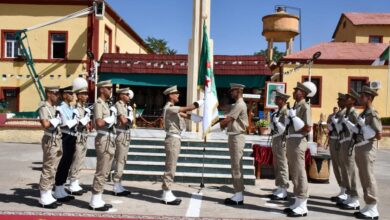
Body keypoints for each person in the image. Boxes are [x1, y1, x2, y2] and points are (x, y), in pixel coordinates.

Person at [161, 85, 203, 205]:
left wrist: (199, 118)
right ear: (170, 96)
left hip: (175, 139)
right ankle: (166, 192)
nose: (178, 95)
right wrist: (201, 102)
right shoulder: (170, 108)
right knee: (171, 166)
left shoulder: (173, 109)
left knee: (171, 166)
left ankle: (166, 192)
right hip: (172, 139)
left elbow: (186, 115)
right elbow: (188, 108)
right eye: (176, 93)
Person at [283, 82, 312, 217]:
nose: (294, 92)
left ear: (304, 93)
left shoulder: (305, 107)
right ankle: (298, 200)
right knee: (294, 172)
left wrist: (294, 118)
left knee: (300, 172)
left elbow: (307, 128)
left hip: (299, 140)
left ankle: (303, 205)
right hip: (291, 139)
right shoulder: (295, 106)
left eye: (297, 91)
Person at [353, 86, 382, 219]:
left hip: (367, 148)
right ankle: (368, 205)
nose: (360, 98)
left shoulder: (372, 113)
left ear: (369, 98)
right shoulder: (364, 113)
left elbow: (378, 134)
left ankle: (373, 207)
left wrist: (364, 126)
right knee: (363, 177)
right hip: (360, 147)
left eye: (362, 96)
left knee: (368, 177)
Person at [89, 80, 116, 211]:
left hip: (109, 138)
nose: (111, 91)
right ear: (102, 90)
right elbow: (99, 122)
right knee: (101, 170)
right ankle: (94, 200)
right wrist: (109, 120)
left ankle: (98, 197)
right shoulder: (98, 103)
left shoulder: (105, 104)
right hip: (103, 138)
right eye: (109, 89)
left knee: (106, 171)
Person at [220, 83, 248, 205]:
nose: (231, 93)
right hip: (234, 137)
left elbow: (228, 119)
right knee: (235, 166)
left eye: (233, 91)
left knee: (237, 166)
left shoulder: (240, 104)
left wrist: (212, 127)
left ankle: (239, 195)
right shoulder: (236, 104)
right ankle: (237, 193)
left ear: (238, 91)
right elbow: (224, 107)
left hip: (237, 137)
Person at [37, 86, 62, 209]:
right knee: (48, 167)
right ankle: (43, 195)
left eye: (58, 94)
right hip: (49, 140)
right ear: (49, 94)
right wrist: (55, 121)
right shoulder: (44, 107)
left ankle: (48, 192)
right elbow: (46, 124)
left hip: (56, 139)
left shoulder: (53, 107)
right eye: (55, 93)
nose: (58, 96)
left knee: (53, 168)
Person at [337, 90, 360, 210]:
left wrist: (349, 124)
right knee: (345, 170)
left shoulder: (354, 113)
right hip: (344, 141)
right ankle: (350, 195)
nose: (345, 99)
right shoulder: (346, 112)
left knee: (350, 170)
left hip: (350, 143)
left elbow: (358, 130)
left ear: (354, 100)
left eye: (348, 98)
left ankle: (355, 198)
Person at [53, 88, 77, 202]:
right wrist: (72, 122)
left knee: (68, 163)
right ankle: (58, 189)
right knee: (62, 163)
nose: (73, 95)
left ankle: (62, 188)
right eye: (70, 93)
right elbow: (61, 124)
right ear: (64, 95)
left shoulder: (71, 108)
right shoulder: (60, 108)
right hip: (65, 136)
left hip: (72, 135)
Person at [68, 85, 91, 195]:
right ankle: (72, 182)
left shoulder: (84, 108)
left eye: (86, 94)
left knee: (81, 159)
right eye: (84, 94)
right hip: (77, 136)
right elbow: (76, 123)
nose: (86, 96)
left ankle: (76, 181)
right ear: (78, 96)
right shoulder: (75, 108)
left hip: (83, 136)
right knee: (76, 159)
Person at [268, 91, 290, 201]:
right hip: (276, 139)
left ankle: (284, 189)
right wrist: (272, 123)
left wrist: (276, 123)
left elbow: (284, 129)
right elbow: (275, 127)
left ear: (282, 100)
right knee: (277, 164)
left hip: (282, 140)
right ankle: (280, 187)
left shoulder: (286, 112)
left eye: (277, 98)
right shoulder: (278, 112)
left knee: (282, 165)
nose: (276, 100)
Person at [112, 88, 134, 196]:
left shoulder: (125, 106)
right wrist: (130, 118)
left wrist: (129, 118)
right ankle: (116, 185)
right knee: (119, 160)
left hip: (126, 134)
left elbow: (129, 123)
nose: (128, 96)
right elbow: (123, 121)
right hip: (120, 134)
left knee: (123, 160)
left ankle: (119, 183)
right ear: (121, 95)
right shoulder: (119, 105)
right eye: (126, 94)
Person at [327, 94, 347, 203]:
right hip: (333, 139)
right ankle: (342, 189)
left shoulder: (345, 114)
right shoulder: (336, 114)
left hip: (341, 140)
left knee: (341, 165)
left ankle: (345, 191)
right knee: (335, 165)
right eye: (338, 100)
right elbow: (330, 127)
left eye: (341, 100)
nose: (338, 102)